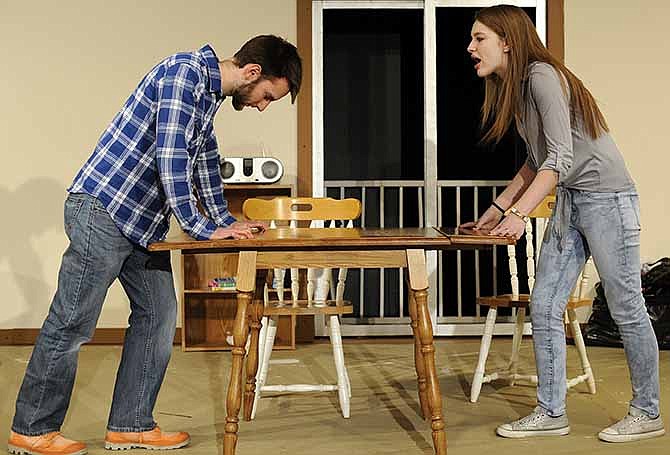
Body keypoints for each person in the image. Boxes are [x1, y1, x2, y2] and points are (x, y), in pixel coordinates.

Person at [8, 35, 302, 455]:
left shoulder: (205, 99)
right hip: (104, 211)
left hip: (141, 226)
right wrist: (202, 229)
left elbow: (202, 165)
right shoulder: (184, 75)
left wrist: (225, 223)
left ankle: (131, 425)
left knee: (159, 316)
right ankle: (32, 429)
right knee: (72, 322)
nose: (262, 106)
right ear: (253, 73)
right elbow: (172, 160)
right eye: (268, 96)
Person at [461, 5, 664, 443]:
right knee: (545, 304)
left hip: (608, 199)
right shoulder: (515, 89)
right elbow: (537, 161)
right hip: (572, 200)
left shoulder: (541, 76)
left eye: (480, 39)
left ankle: (647, 411)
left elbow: (559, 159)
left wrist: (518, 215)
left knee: (626, 304)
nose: (471, 47)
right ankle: (551, 410)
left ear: (507, 41)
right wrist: (498, 208)